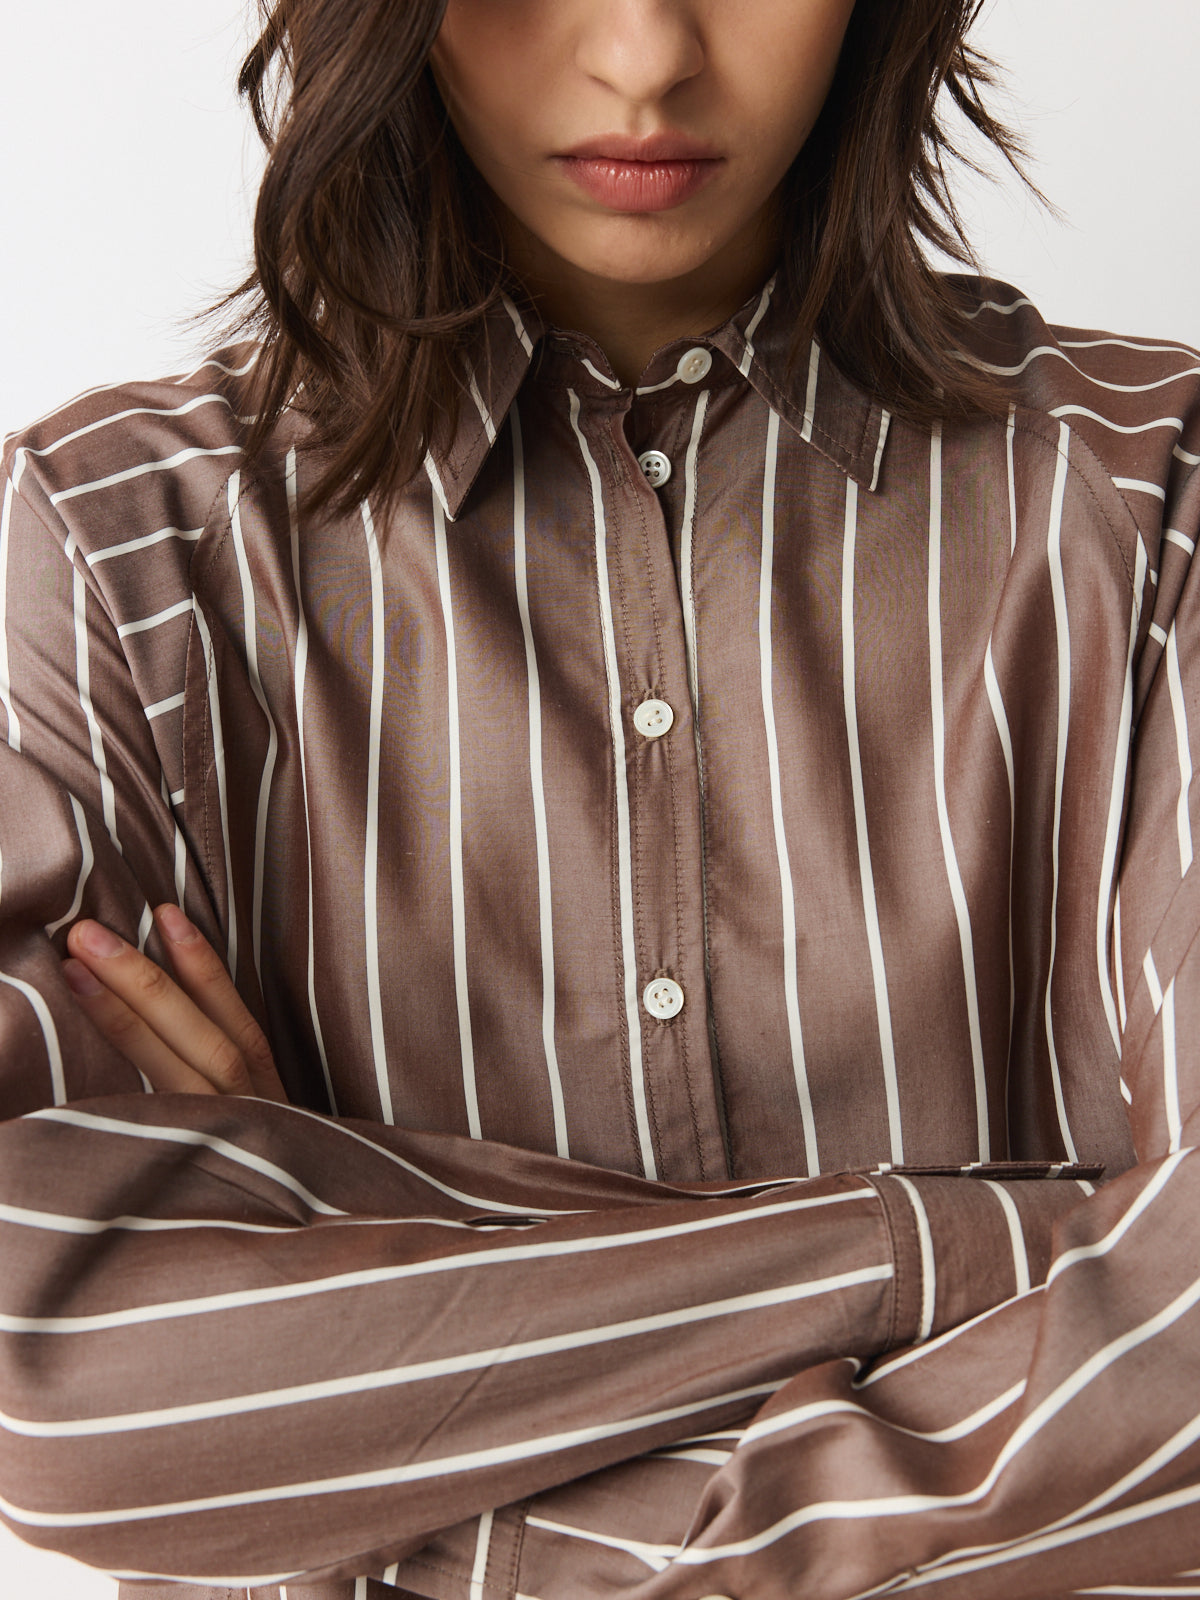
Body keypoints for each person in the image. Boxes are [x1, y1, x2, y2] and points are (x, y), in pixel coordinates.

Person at [2, 0, 1199, 1595]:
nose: (646, 57)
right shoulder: (118, 545)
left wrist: (353, 1261)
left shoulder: (1152, 497)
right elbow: (52, 1390)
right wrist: (1022, 1246)